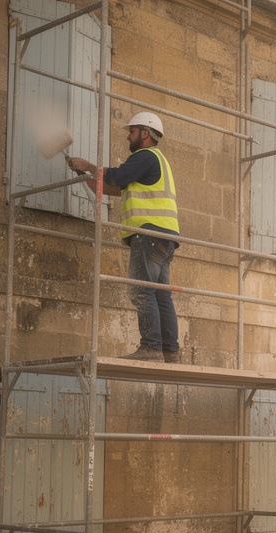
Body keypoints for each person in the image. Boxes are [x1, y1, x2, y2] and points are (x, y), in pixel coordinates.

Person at [68, 112, 180, 362]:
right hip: (164, 237)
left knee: (142, 291)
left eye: (132, 131)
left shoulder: (145, 156)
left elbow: (115, 176)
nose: (128, 136)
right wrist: (86, 176)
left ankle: (151, 347)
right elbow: (112, 187)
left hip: (148, 234)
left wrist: (87, 165)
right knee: (161, 294)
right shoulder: (155, 162)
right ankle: (171, 353)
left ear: (145, 133)